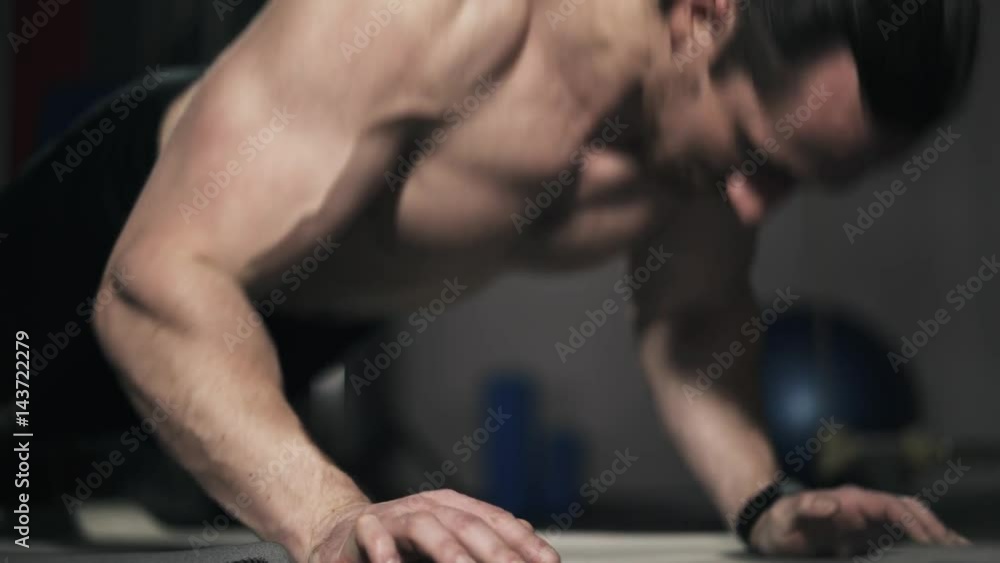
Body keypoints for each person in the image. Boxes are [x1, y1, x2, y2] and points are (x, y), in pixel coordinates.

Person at [0, 0, 981, 561]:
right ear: (702, 15)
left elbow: (694, 318)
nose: (754, 206)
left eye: (800, 180)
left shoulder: (694, 143)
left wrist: (767, 501)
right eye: (757, 158)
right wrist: (331, 509)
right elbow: (157, 276)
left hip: (260, 350)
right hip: (93, 267)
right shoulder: (440, 18)